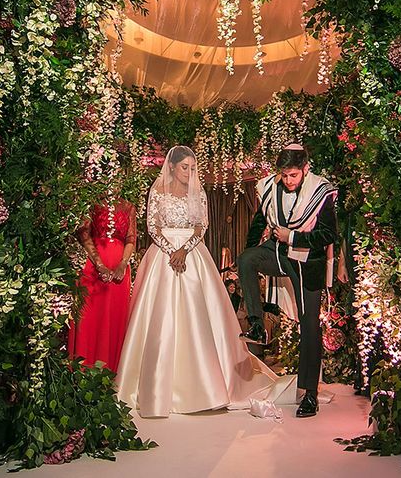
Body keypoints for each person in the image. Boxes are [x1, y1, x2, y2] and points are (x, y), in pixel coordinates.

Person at [116, 146, 275, 417]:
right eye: (184, 168)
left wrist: (184, 249)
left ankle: (206, 384)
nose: (189, 173)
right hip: (162, 255)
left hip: (192, 253)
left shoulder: (198, 192)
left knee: (199, 316)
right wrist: (170, 250)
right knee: (159, 318)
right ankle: (154, 386)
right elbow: (152, 226)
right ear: (172, 167)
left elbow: (202, 225)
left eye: (192, 167)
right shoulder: (158, 191)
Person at [238, 143, 339, 418]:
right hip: (279, 254)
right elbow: (260, 221)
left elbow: (327, 235)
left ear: (305, 169)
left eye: (293, 175)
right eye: (284, 175)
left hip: (307, 262)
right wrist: (250, 250)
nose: (288, 180)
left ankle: (310, 394)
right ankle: (257, 325)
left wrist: (292, 237)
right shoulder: (271, 188)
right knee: (246, 260)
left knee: (309, 325)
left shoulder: (322, 191)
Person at [68, 197, 136, 373]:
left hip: (119, 269)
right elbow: (84, 234)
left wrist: (123, 263)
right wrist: (99, 264)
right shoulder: (91, 202)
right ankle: (84, 371)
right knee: (90, 318)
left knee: (115, 319)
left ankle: (112, 373)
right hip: (93, 267)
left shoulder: (128, 207)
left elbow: (131, 239)